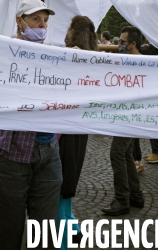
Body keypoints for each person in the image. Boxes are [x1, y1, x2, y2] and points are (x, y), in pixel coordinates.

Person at [0, 0, 62, 250]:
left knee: (46, 231)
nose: (42, 26)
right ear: (20, 21)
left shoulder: (55, 55)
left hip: (49, 151)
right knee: (9, 232)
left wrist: (77, 63)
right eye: (36, 19)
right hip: (12, 152)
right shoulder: (4, 51)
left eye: (45, 21)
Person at [58, 15, 97, 248]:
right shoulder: (93, 58)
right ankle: (72, 227)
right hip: (78, 130)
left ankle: (66, 238)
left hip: (65, 132)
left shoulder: (72, 57)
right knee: (66, 185)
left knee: (61, 187)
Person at [102, 26, 145, 216]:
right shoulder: (133, 61)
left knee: (117, 153)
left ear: (132, 44)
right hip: (130, 115)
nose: (118, 45)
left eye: (122, 42)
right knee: (126, 154)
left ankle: (122, 199)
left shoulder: (136, 63)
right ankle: (135, 195)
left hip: (130, 116)